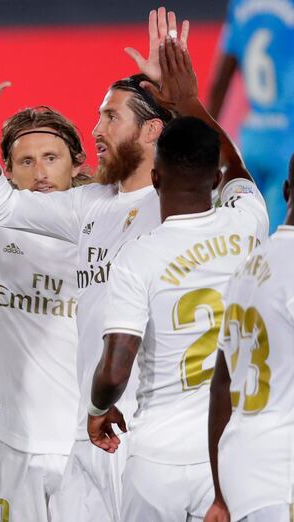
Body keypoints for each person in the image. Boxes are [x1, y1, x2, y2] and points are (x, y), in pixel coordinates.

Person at [0, 10, 182, 517]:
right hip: (92, 431)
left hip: (146, 436)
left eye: (110, 117)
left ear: (151, 131)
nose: (95, 129)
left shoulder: (177, 204)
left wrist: (179, 102)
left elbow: (210, 166)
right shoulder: (90, 206)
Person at [87, 40, 268, 522]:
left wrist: (98, 406)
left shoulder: (138, 258)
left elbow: (114, 371)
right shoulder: (247, 221)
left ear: (158, 179)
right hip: (232, 452)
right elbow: (235, 164)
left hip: (158, 463)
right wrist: (185, 101)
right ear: (213, 181)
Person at [0, 106, 87, 521]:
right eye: (26, 161)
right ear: (5, 171)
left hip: (91, 442)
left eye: (51, 158)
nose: (40, 172)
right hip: (11, 439)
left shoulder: (108, 223)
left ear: (77, 163)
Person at [205, 153, 294, 522]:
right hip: (283, 475)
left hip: (243, 469)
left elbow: (221, 383)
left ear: (287, 191)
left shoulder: (250, 265)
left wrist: (220, 494)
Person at [207, 0, 294, 230]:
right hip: (288, 144)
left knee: (244, 235)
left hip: (250, 143)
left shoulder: (240, 5)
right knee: (279, 244)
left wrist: (205, 139)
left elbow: (219, 82)